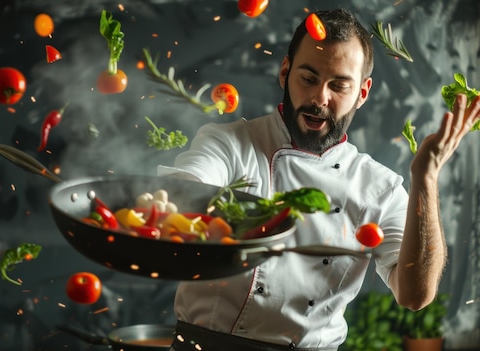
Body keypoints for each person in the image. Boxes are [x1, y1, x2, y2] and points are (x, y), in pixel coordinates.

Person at [157, 8, 480, 351]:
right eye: (308, 79)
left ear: (362, 93)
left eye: (339, 85)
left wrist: (425, 178)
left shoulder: (378, 188)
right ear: (285, 72)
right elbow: (182, 194)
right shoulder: (228, 144)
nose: (319, 99)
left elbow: (415, 295)